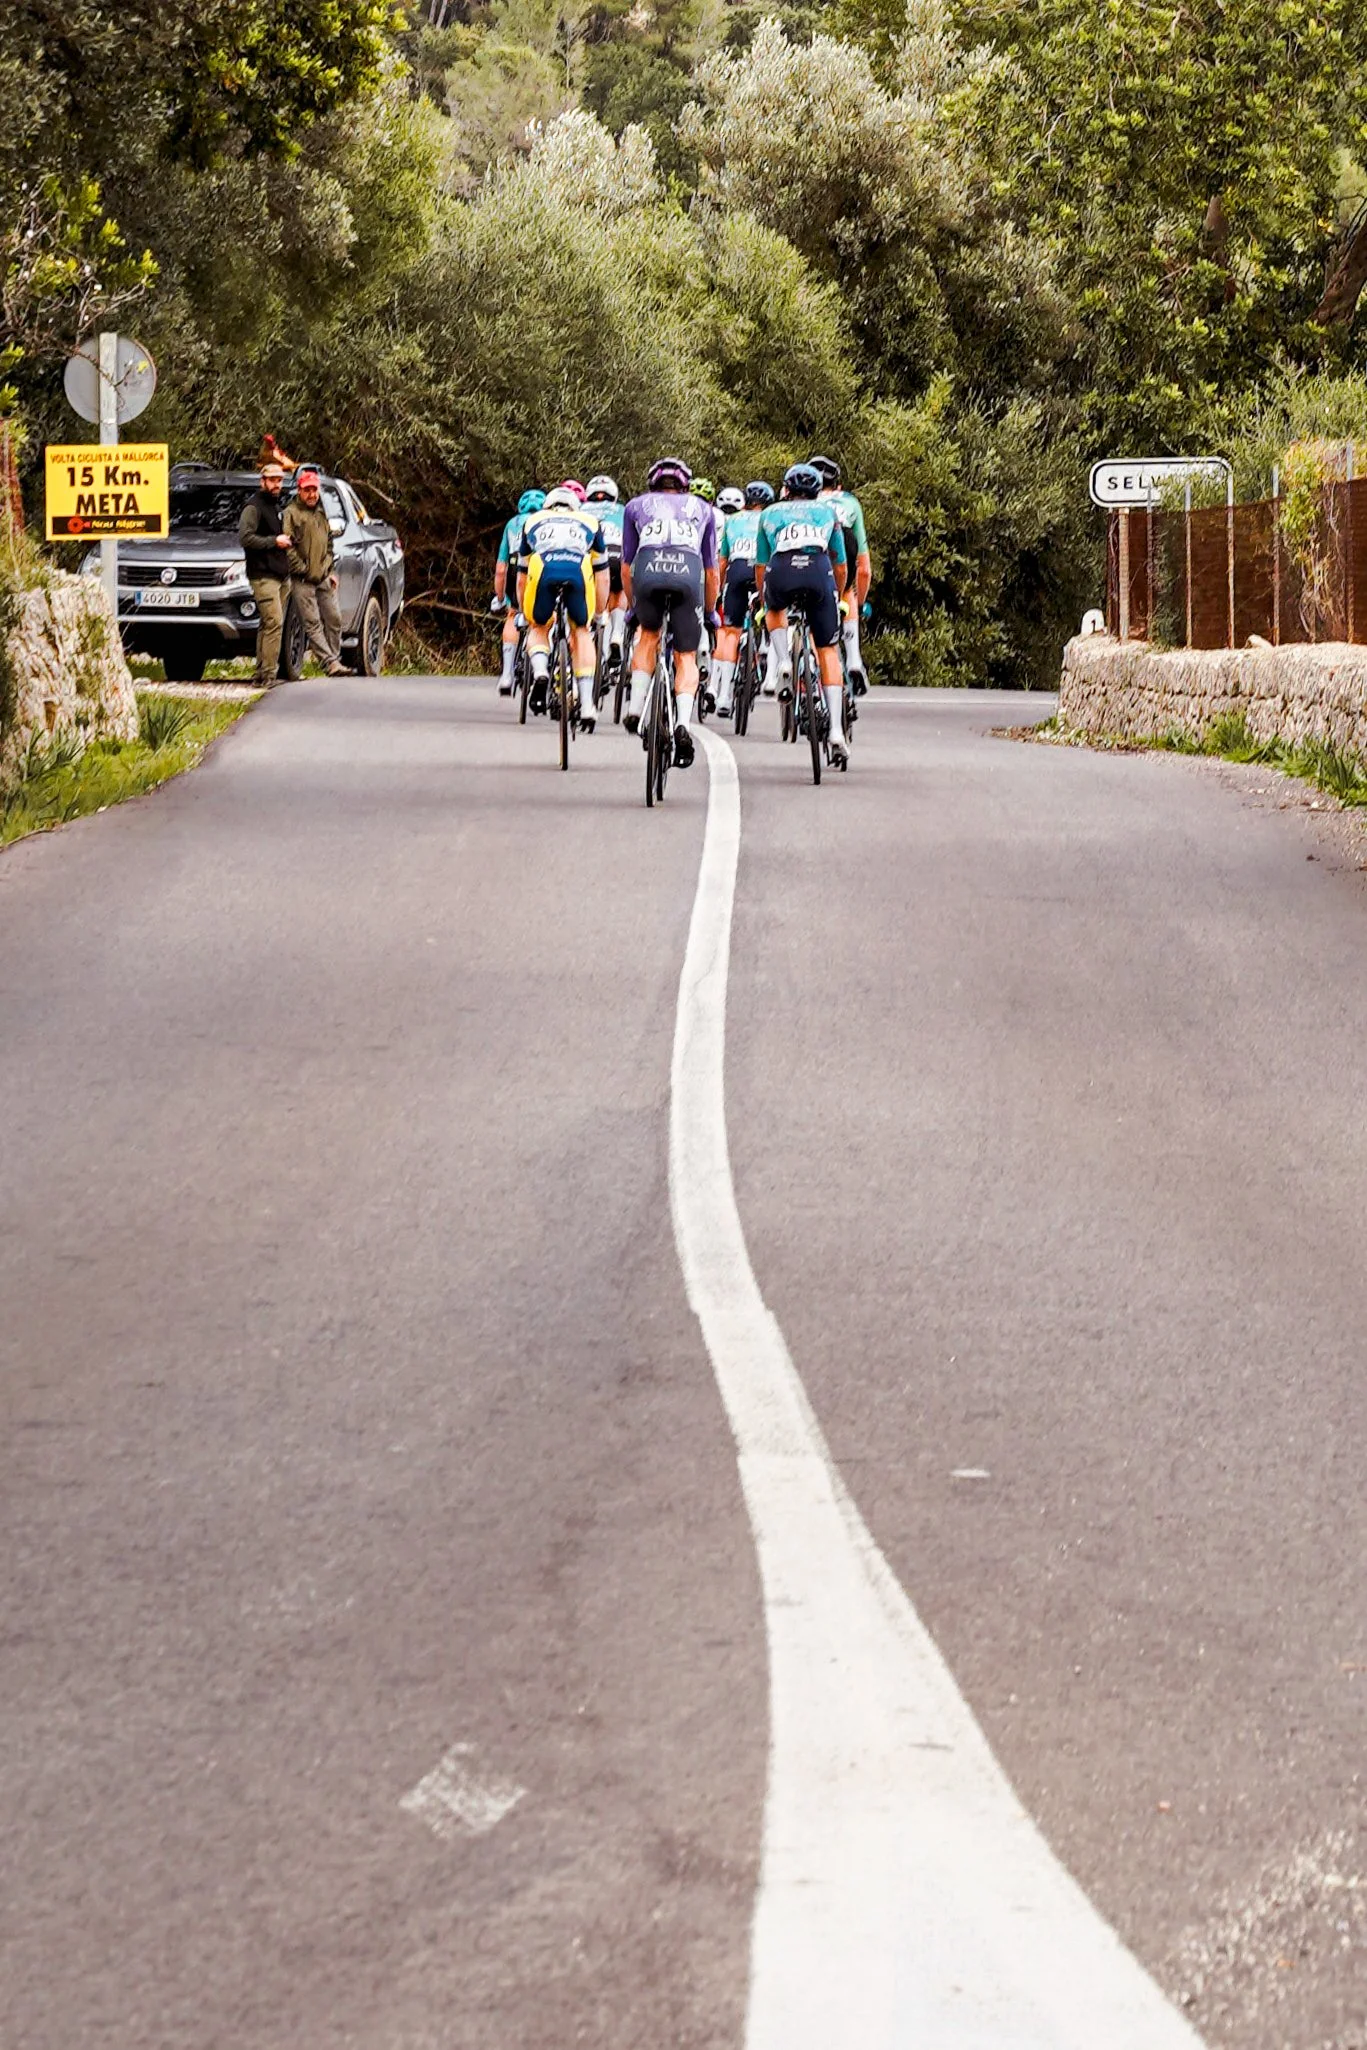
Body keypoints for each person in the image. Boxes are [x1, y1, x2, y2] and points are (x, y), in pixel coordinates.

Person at [620, 457, 718, 767]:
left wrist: (633, 606)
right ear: (685, 485)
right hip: (688, 577)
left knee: (648, 634)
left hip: (648, 573)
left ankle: (635, 708)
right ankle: (683, 725)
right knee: (685, 655)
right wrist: (712, 612)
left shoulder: (635, 506)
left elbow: (626, 566)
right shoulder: (704, 509)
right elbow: (711, 571)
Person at [754, 461, 851, 768]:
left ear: (785, 490)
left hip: (781, 570)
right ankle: (836, 730)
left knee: (774, 611)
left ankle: (783, 659)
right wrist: (836, 594)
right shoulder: (827, 513)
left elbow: (760, 565)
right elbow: (841, 565)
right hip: (818, 572)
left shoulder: (769, 514)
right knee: (828, 652)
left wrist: (764, 599)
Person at [516, 486, 609, 729]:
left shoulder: (532, 521)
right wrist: (599, 613)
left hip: (543, 567)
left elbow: (521, 577)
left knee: (538, 626)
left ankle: (540, 672)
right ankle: (588, 705)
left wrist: (523, 613)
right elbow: (603, 576)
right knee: (581, 631)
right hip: (578, 569)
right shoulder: (590, 522)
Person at [809, 454, 871, 691]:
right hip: (845, 538)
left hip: (816, 543)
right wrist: (861, 603)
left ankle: (814, 665)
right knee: (847, 592)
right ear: (838, 485)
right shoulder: (850, 501)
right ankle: (854, 657)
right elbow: (864, 569)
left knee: (814, 602)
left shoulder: (805, 501)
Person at [711, 482, 768, 718]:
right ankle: (766, 653)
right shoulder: (770, 517)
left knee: (729, 632)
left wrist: (718, 591)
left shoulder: (733, 521)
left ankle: (721, 693)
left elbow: (722, 562)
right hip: (761, 570)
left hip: (736, 570)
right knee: (773, 615)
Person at [285, 466, 348, 676]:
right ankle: (330, 663)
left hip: (323, 576)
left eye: (314, 490)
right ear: (299, 491)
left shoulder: (321, 512)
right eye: (307, 490)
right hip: (302, 579)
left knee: (334, 618)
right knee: (312, 623)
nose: (311, 494)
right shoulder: (291, 514)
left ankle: (334, 660)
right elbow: (287, 546)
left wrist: (330, 570)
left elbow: (329, 543)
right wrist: (301, 568)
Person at [239, 460, 293, 686]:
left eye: (279, 480)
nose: (276, 484)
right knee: (275, 622)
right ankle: (269, 674)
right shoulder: (254, 507)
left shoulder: (276, 506)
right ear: (263, 481)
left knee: (267, 623)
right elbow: (246, 538)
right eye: (272, 480)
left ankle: (261, 673)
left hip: (280, 575)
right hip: (263, 575)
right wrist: (274, 541)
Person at [492, 489, 544, 694]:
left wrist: (500, 597)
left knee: (512, 614)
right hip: (539, 567)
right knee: (542, 620)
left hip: (515, 566)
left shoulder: (512, 524)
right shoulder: (545, 520)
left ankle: (506, 675)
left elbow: (500, 569)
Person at [585, 475, 628, 681]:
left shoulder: (581, 509)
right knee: (620, 590)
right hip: (616, 554)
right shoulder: (622, 510)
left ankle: (598, 655)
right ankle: (617, 635)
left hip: (588, 558)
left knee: (596, 606)